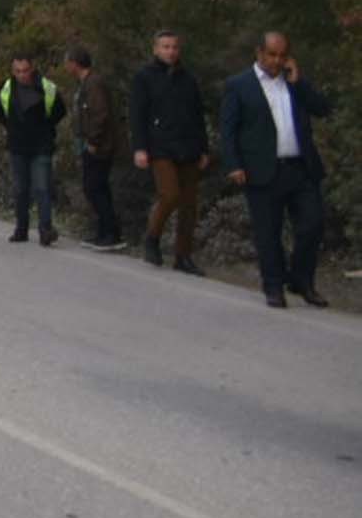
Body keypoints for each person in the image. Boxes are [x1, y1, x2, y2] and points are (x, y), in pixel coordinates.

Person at [220, 32, 331, 310]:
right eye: (272, 55)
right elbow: (228, 130)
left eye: (282, 55)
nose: (277, 61)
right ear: (259, 53)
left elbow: (322, 109)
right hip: (262, 170)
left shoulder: (293, 83)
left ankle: (301, 280)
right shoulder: (239, 85)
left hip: (299, 168)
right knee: (268, 231)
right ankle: (273, 286)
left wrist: (300, 82)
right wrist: (234, 164)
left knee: (312, 224)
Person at [128, 29, 211, 273]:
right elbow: (137, 115)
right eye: (165, 47)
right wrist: (140, 148)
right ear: (156, 49)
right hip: (160, 146)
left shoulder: (188, 79)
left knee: (189, 204)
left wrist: (203, 148)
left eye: (174, 47)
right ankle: (152, 238)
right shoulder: (144, 77)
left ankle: (183, 255)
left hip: (188, 146)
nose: (170, 51)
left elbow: (198, 115)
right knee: (170, 194)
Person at [0, 53, 68, 245]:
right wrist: (11, 127)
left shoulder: (46, 88)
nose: (22, 75)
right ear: (13, 71)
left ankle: (45, 230)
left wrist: (45, 128)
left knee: (42, 188)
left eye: (25, 70)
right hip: (17, 146)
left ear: (32, 68)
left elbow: (60, 110)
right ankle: (21, 229)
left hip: (41, 146)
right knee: (20, 190)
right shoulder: (6, 88)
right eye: (18, 71)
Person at [62, 45, 125, 251]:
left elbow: (100, 114)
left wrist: (93, 140)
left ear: (74, 63)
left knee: (94, 187)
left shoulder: (94, 83)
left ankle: (111, 233)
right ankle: (104, 232)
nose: (66, 67)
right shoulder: (85, 84)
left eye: (67, 62)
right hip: (91, 143)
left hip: (99, 146)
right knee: (98, 188)